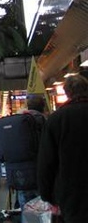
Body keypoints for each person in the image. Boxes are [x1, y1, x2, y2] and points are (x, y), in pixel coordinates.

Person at [38, 74, 88, 223]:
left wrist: (47, 194)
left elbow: (46, 161)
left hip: (71, 193)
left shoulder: (56, 119)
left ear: (67, 93)